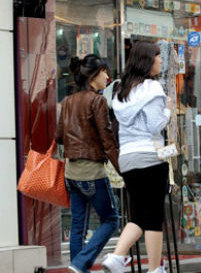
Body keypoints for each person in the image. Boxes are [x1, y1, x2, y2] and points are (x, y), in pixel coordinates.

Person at [102, 41, 171, 273]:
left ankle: (116, 256)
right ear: (147, 60)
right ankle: (154, 269)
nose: (160, 60)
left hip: (128, 159)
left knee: (139, 215)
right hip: (150, 157)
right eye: (158, 56)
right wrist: (168, 110)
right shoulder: (152, 88)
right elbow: (155, 124)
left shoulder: (122, 92)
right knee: (153, 216)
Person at [55, 54, 120, 273]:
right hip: (92, 172)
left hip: (71, 173)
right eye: (104, 72)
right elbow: (108, 142)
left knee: (77, 226)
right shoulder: (97, 100)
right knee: (111, 220)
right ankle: (80, 264)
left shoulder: (67, 101)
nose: (108, 76)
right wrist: (124, 171)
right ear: (94, 75)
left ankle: (77, 268)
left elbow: (59, 137)